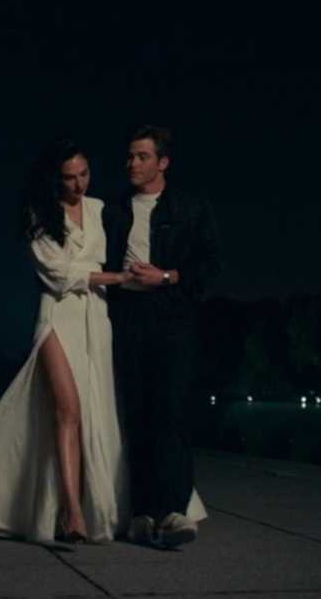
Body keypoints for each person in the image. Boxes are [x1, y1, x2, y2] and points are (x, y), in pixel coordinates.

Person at [0, 138, 135, 544]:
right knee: (67, 408)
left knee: (94, 410)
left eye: (84, 174)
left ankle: (86, 505)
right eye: (69, 178)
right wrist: (116, 278)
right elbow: (57, 275)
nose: (79, 184)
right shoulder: (39, 215)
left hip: (96, 316)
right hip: (57, 315)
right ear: (54, 179)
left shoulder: (101, 210)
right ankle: (72, 512)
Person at [103, 125, 218, 548]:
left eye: (142, 156)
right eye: (130, 156)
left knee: (171, 412)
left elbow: (209, 267)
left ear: (163, 162)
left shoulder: (191, 208)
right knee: (136, 414)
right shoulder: (113, 209)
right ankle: (141, 512)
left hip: (172, 319)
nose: (132, 163)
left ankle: (174, 512)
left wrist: (166, 276)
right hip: (127, 318)